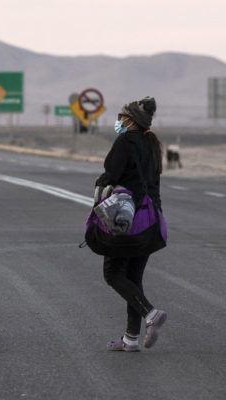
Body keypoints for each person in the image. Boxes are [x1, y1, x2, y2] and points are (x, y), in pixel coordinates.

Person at [95, 96, 167, 352]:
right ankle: (130, 339)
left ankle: (151, 314)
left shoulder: (126, 140)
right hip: (152, 218)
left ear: (131, 119)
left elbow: (111, 173)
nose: (118, 121)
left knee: (113, 273)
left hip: (128, 218)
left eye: (121, 117)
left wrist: (100, 184)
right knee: (133, 278)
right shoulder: (151, 143)